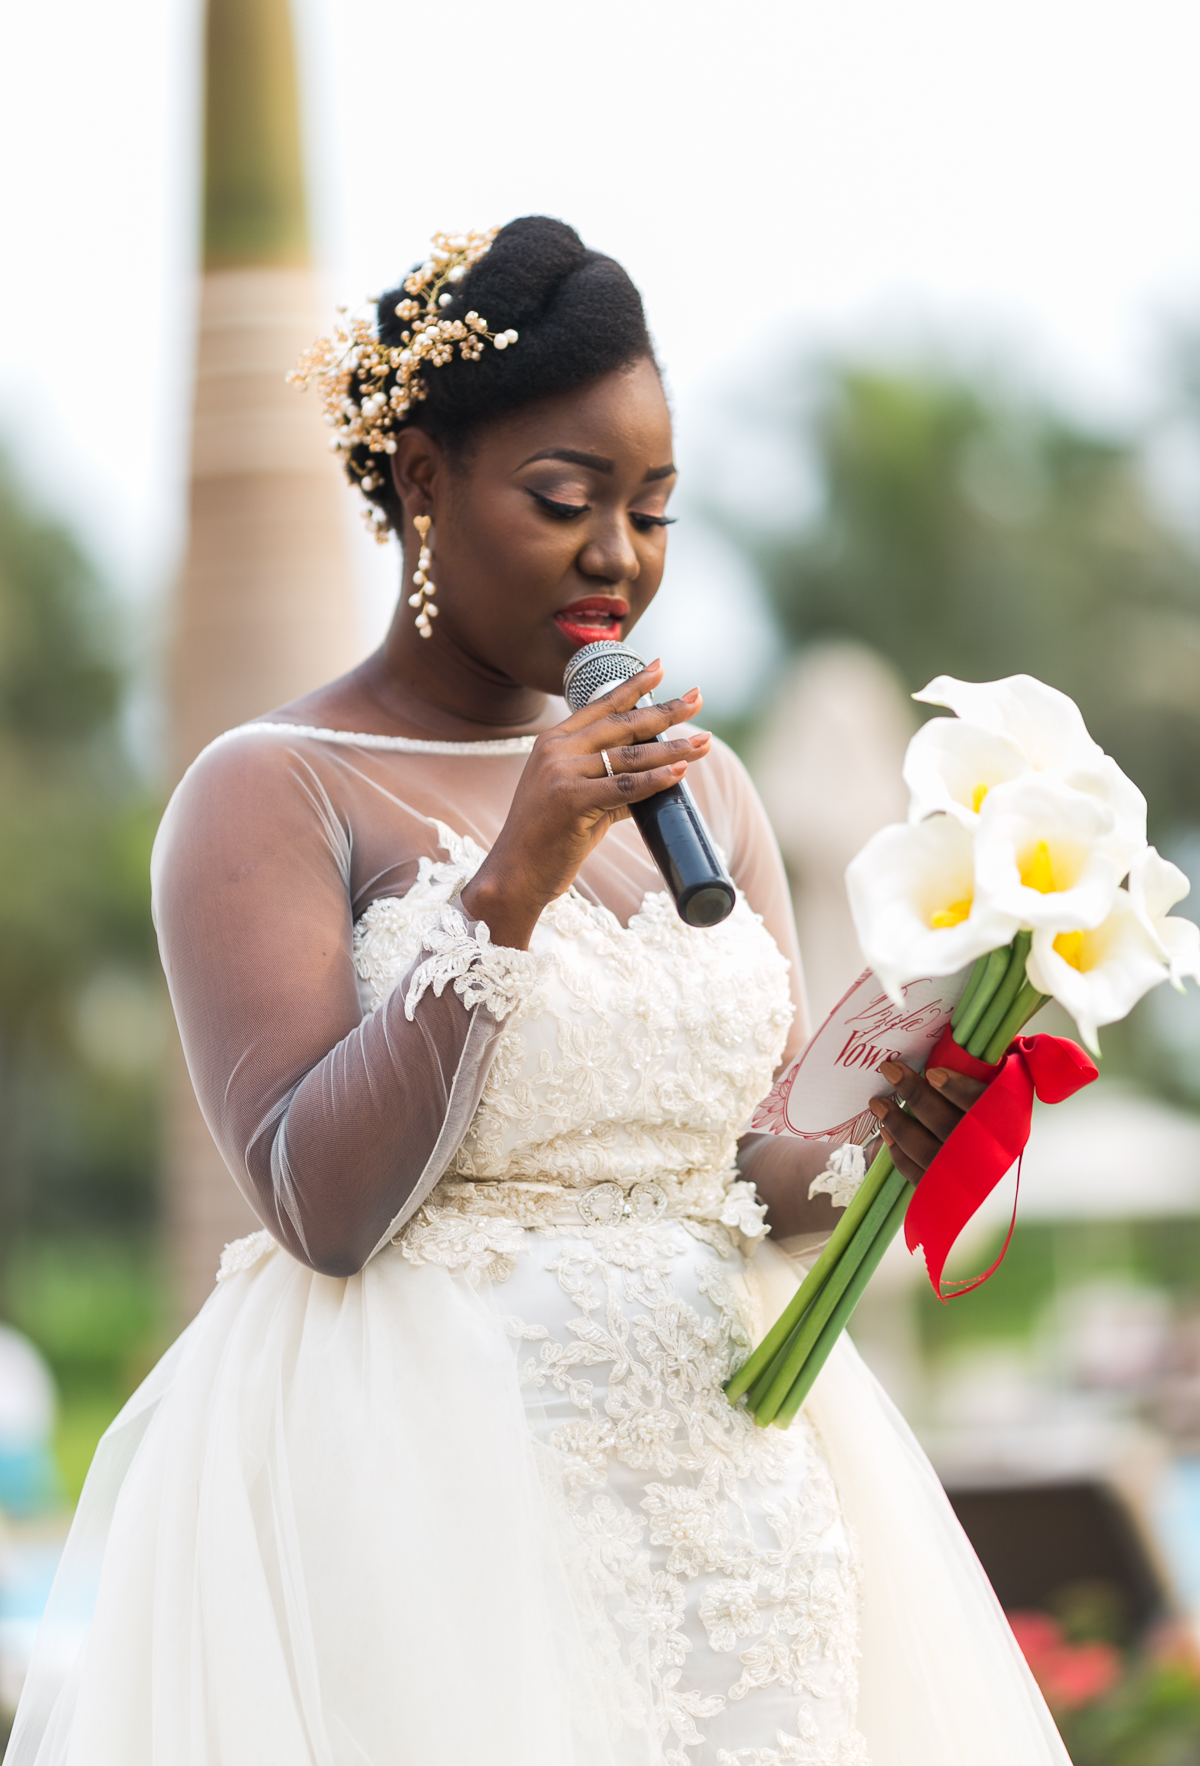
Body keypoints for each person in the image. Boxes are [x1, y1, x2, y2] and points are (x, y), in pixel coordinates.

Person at [9, 218, 1068, 1766]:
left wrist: (889, 1117)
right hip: (437, 1498)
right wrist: (513, 879)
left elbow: (754, 1178)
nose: (617, 558)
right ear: (424, 480)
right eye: (565, 501)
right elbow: (321, 1203)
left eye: (654, 511)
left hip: (739, 1491)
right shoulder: (273, 793)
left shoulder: (704, 783)